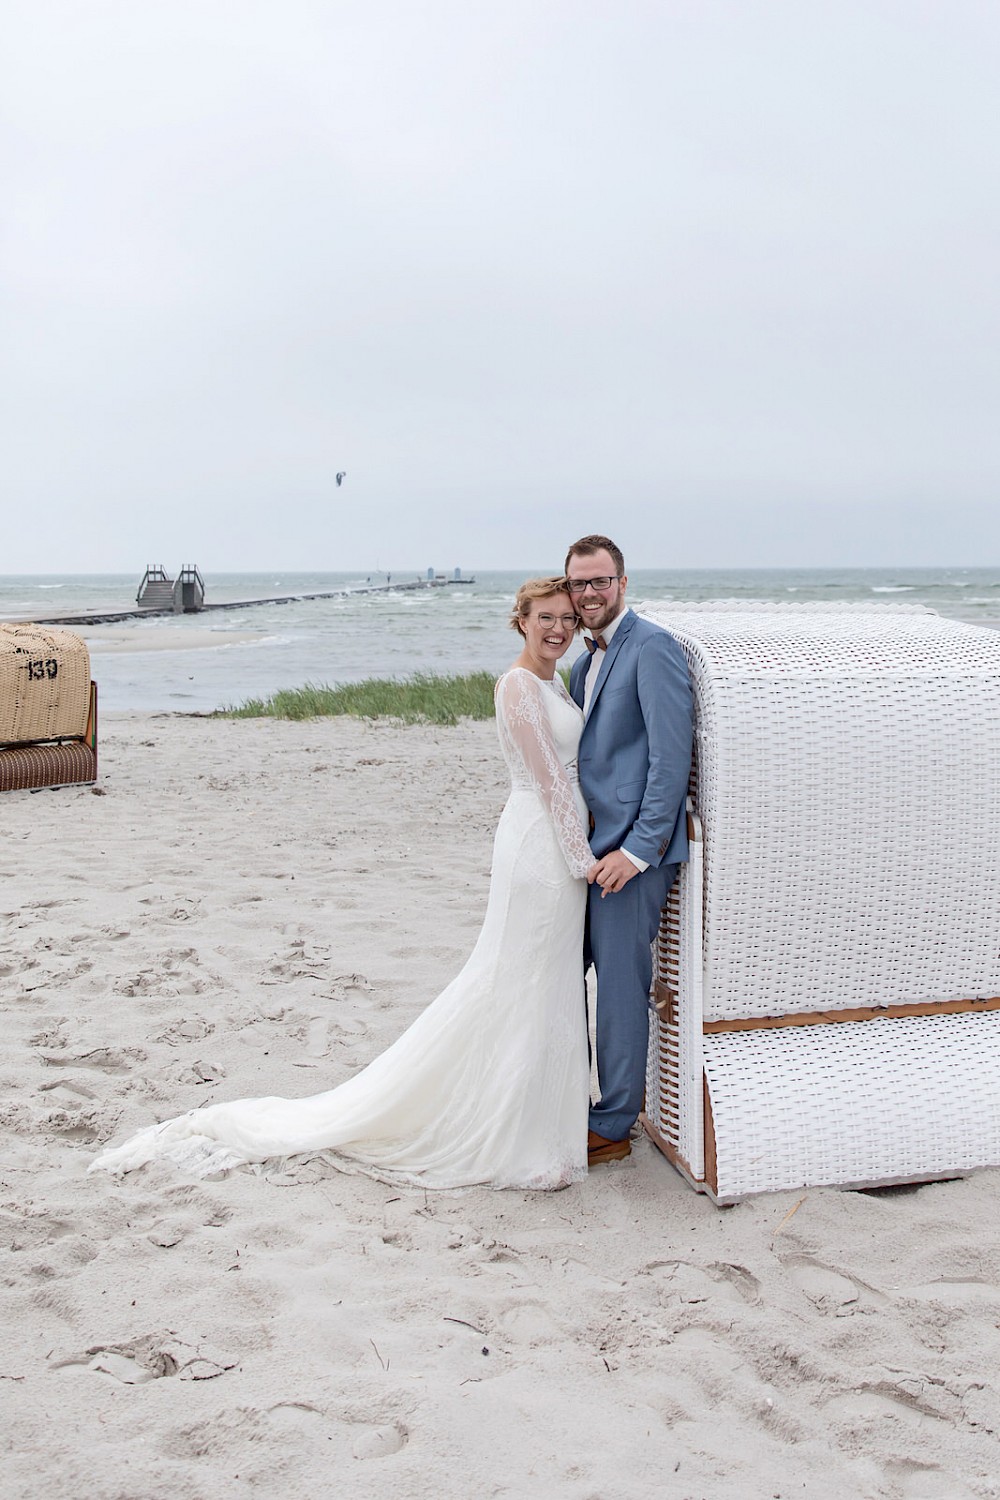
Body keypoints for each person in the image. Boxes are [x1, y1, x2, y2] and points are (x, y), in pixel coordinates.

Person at [91, 579, 596, 1191]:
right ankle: (513, 1137)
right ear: (521, 621)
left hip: (561, 847)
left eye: (567, 618)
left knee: (544, 985)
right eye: (546, 617)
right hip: (540, 850)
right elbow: (548, 783)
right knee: (521, 980)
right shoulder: (518, 684)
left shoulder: (555, 682)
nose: (558, 629)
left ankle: (537, 1127)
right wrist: (584, 861)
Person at [566, 535, 693, 1167]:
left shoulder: (653, 647)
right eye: (579, 584)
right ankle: (569, 1100)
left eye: (599, 581)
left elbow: (672, 762)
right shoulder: (582, 663)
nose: (589, 593)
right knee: (563, 977)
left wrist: (639, 852)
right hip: (586, 852)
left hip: (631, 860)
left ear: (621, 582)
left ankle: (613, 1124)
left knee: (619, 988)